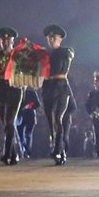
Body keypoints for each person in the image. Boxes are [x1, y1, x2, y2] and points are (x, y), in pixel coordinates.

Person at [0, 28, 25, 165]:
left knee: (9, 122)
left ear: (13, 41)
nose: (5, 42)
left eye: (7, 40)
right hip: (0, 88)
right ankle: (14, 154)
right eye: (2, 40)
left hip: (14, 88)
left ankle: (7, 153)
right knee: (6, 124)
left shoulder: (18, 55)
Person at [39, 24, 74, 164]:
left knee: (58, 118)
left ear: (60, 39)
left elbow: (69, 55)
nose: (51, 40)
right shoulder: (45, 54)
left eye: (54, 37)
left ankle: (58, 149)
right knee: (50, 121)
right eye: (49, 38)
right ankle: (58, 148)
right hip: (48, 87)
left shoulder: (65, 51)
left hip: (61, 87)